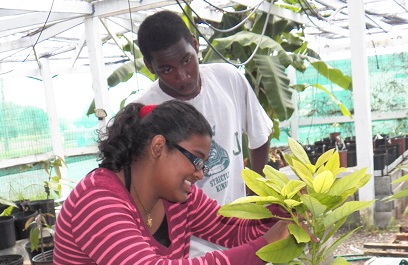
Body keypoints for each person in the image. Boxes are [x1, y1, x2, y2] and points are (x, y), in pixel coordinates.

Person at [53, 101, 289, 265]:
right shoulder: (96, 201)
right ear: (158, 147)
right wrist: (264, 247)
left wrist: (285, 210)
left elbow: (234, 230)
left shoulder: (179, 198)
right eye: (196, 159)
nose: (200, 173)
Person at [134, 10, 274, 257]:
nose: (182, 76)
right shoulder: (145, 112)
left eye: (187, 60)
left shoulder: (228, 78)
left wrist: (258, 191)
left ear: (195, 46)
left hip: (236, 224)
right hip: (184, 244)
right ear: (149, 66)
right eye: (167, 69)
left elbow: (259, 133)